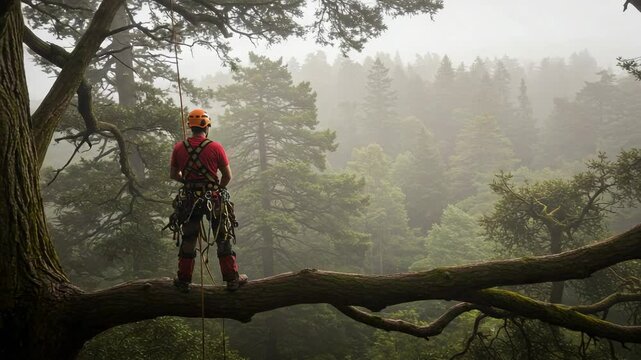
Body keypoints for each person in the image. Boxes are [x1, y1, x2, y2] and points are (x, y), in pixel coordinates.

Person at [169, 108, 248, 292]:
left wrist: (188, 181)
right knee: (222, 237)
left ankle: (183, 281)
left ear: (190, 126)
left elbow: (173, 174)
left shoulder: (179, 147)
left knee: (189, 239)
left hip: (190, 200)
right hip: (214, 198)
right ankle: (232, 280)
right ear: (207, 127)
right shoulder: (215, 147)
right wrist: (217, 187)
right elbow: (227, 176)